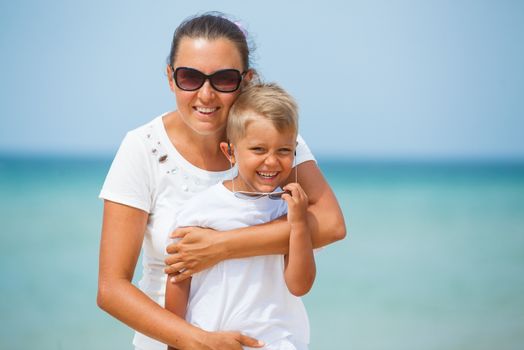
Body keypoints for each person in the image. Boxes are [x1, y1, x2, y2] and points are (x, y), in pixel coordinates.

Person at [97, 12, 346, 350]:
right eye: (190, 77)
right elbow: (111, 288)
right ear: (171, 78)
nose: (205, 94)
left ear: (246, 80)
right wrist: (196, 341)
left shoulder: (276, 147)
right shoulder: (143, 149)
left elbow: (331, 224)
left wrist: (219, 247)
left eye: (224, 79)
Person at [166, 83, 316, 350]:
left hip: (278, 343)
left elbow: (299, 285)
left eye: (283, 151)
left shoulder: (287, 209)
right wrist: (178, 343)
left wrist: (300, 225)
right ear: (231, 152)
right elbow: (178, 280)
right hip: (211, 340)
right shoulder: (201, 209)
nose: (271, 161)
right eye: (258, 150)